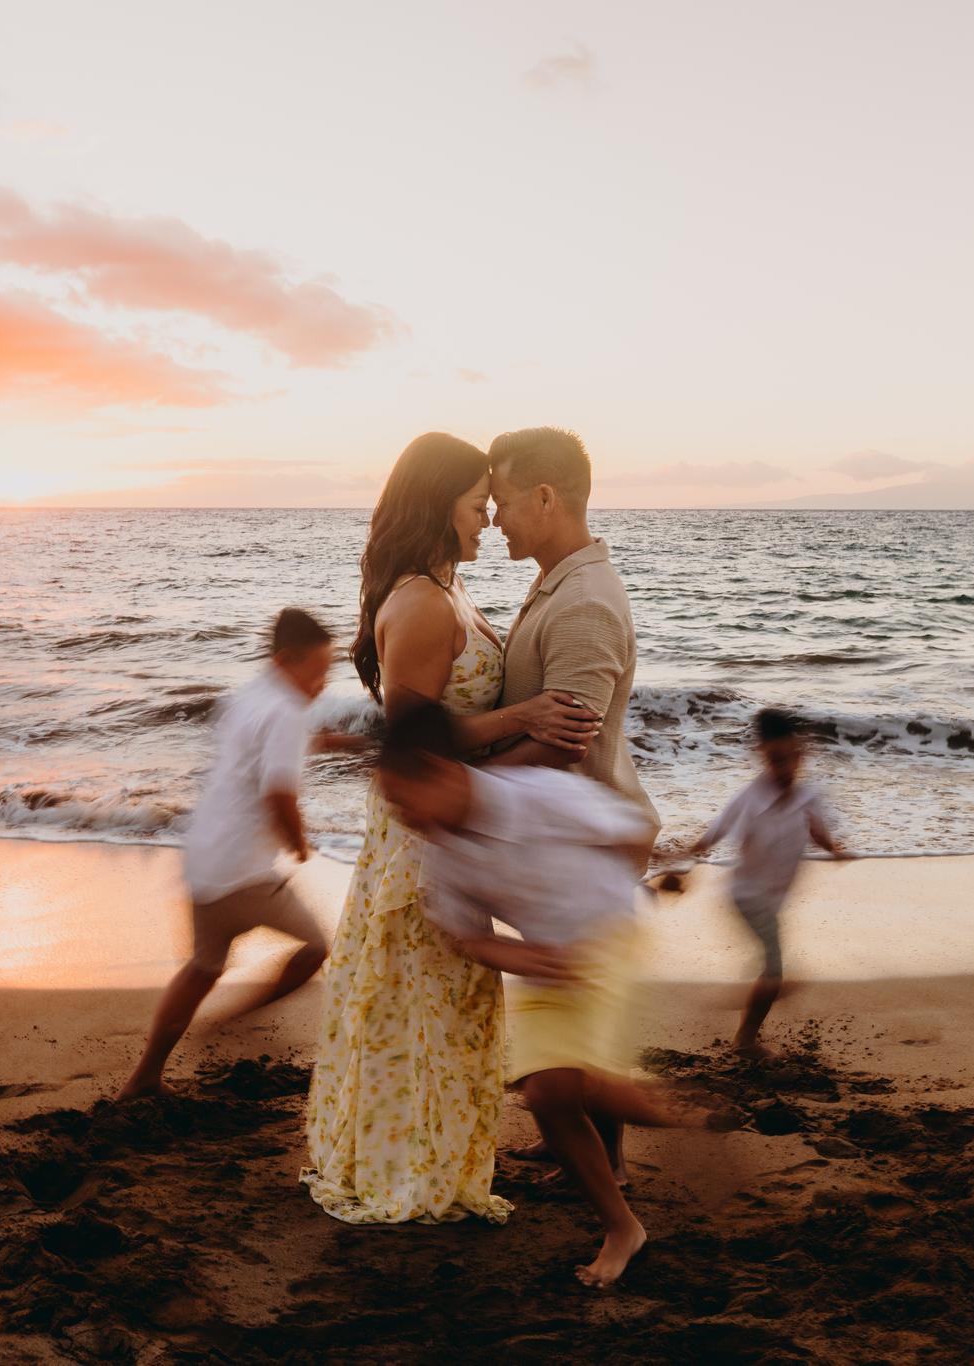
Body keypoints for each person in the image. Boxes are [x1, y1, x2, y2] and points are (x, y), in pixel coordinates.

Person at [302, 433, 602, 1225]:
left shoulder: (447, 590)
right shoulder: (424, 602)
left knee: (452, 1007)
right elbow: (415, 738)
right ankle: (412, 1170)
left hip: (447, 826)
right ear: (440, 506)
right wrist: (521, 715)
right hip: (420, 835)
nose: (486, 520)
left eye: (490, 504)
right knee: (424, 1006)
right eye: (476, 505)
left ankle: (437, 1159)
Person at [377, 701, 719, 1289]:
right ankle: (624, 1222)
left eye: (404, 799)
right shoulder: (442, 853)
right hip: (546, 958)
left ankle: (654, 1112)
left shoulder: (537, 795)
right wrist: (523, 956)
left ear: (439, 770)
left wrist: (659, 871)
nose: (402, 817)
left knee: (557, 1085)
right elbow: (464, 936)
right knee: (552, 1096)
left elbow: (630, 828)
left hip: (609, 937)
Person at [486, 426, 659, 1177]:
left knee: (576, 1010)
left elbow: (567, 741)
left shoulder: (585, 600)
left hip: (582, 840)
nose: (494, 520)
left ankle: (607, 1164)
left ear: (545, 496)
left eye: (501, 501)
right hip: (561, 838)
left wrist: (468, 791)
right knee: (563, 999)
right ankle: (577, 1145)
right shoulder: (562, 579)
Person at [115, 608, 338, 1101]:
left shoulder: (252, 696)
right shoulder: (287, 710)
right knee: (316, 949)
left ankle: (145, 1077)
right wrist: (299, 846)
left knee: (202, 968)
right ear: (285, 660)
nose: (323, 682)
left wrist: (332, 742)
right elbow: (279, 794)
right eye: (318, 670)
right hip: (247, 872)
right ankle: (240, 1021)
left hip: (207, 859)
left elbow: (261, 753)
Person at [685, 707, 851, 1058]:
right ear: (763, 756)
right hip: (746, 896)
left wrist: (835, 848)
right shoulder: (749, 798)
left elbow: (819, 832)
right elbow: (712, 835)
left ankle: (760, 995)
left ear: (801, 755)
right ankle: (744, 1039)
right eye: (776, 760)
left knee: (772, 969)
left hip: (772, 898)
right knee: (773, 969)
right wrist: (677, 858)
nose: (785, 768)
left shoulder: (809, 797)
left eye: (791, 758)